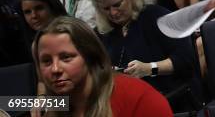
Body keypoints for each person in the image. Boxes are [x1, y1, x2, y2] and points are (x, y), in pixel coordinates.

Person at [89, 0, 199, 109]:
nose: (113, 13)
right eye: (106, 8)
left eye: (117, 4)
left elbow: (186, 59)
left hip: (170, 97)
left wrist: (149, 68)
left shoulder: (156, 16)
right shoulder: (101, 34)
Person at [32, 16, 173, 117]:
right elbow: (13, 103)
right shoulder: (55, 104)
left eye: (66, 58)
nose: (55, 69)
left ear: (90, 56)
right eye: (46, 61)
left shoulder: (138, 98)